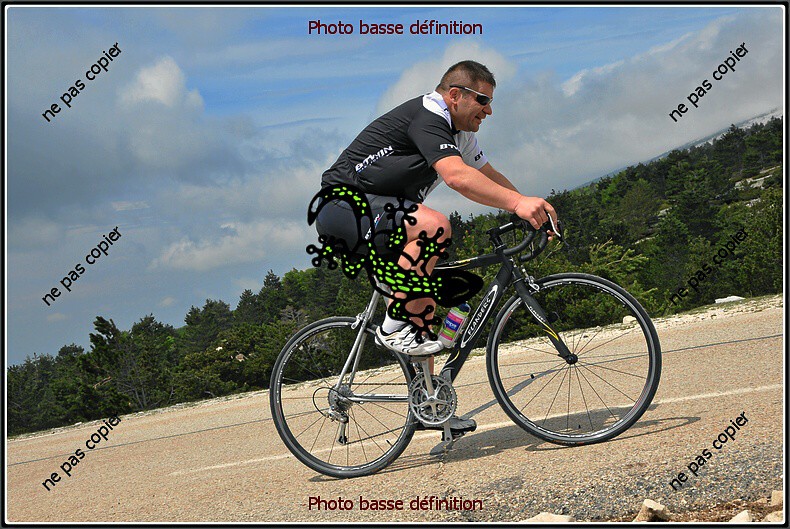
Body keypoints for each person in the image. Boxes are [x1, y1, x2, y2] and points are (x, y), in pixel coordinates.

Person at [314, 60, 557, 433]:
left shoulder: (460, 134)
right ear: (455, 95)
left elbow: (487, 176)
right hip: (343, 206)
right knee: (434, 225)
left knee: (423, 308)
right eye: (483, 100)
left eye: (491, 102)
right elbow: (457, 177)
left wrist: (529, 207)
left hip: (378, 212)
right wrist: (519, 204)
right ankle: (392, 326)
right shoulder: (429, 115)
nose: (489, 111)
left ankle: (429, 406)